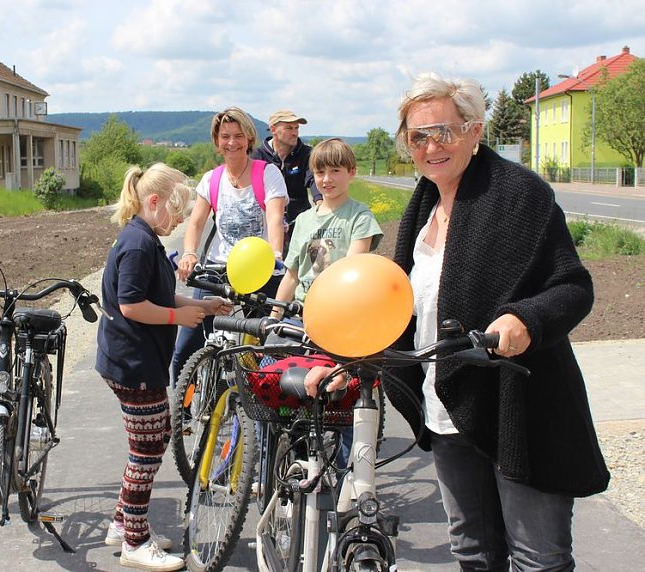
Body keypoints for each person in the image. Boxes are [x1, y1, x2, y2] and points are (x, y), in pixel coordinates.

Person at [310, 72, 609, 570]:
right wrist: (347, 359)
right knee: (473, 551)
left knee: (538, 559)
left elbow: (574, 287)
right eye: (417, 137)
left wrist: (525, 319)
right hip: (447, 405)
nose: (430, 146)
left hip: (519, 405)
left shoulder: (520, 195)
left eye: (442, 131)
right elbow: (397, 304)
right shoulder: (423, 205)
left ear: (475, 130)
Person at [96, 163, 231, 572]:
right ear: (152, 202)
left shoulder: (146, 238)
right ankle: (135, 543)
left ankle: (124, 524)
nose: (180, 221)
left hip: (137, 361)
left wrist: (200, 306)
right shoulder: (137, 244)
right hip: (133, 364)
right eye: (177, 212)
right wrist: (178, 320)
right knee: (148, 450)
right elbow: (133, 305)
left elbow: (162, 296)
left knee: (150, 443)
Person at [271, 137, 382, 467]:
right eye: (320, 172)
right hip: (302, 315)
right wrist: (275, 317)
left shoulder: (359, 217)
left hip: (342, 317)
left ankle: (349, 471)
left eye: (335, 171)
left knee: (345, 395)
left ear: (351, 173)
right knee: (275, 381)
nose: (327, 179)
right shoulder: (304, 220)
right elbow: (291, 275)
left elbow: (350, 268)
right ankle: (289, 458)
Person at [172, 107, 288, 384]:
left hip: (260, 268)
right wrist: (189, 253)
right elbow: (197, 223)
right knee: (186, 347)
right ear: (216, 142)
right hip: (218, 267)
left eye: (238, 135)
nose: (232, 142)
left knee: (265, 345)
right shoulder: (211, 179)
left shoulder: (267, 173)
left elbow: (274, 216)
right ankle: (183, 418)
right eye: (225, 136)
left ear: (249, 138)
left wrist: (275, 255)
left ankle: (263, 418)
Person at [251, 109, 322, 255]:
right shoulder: (257, 156)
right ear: (273, 130)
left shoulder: (306, 153)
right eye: (289, 128)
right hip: (266, 224)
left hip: (299, 222)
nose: (295, 133)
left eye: (297, 128)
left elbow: (313, 178)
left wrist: (320, 201)